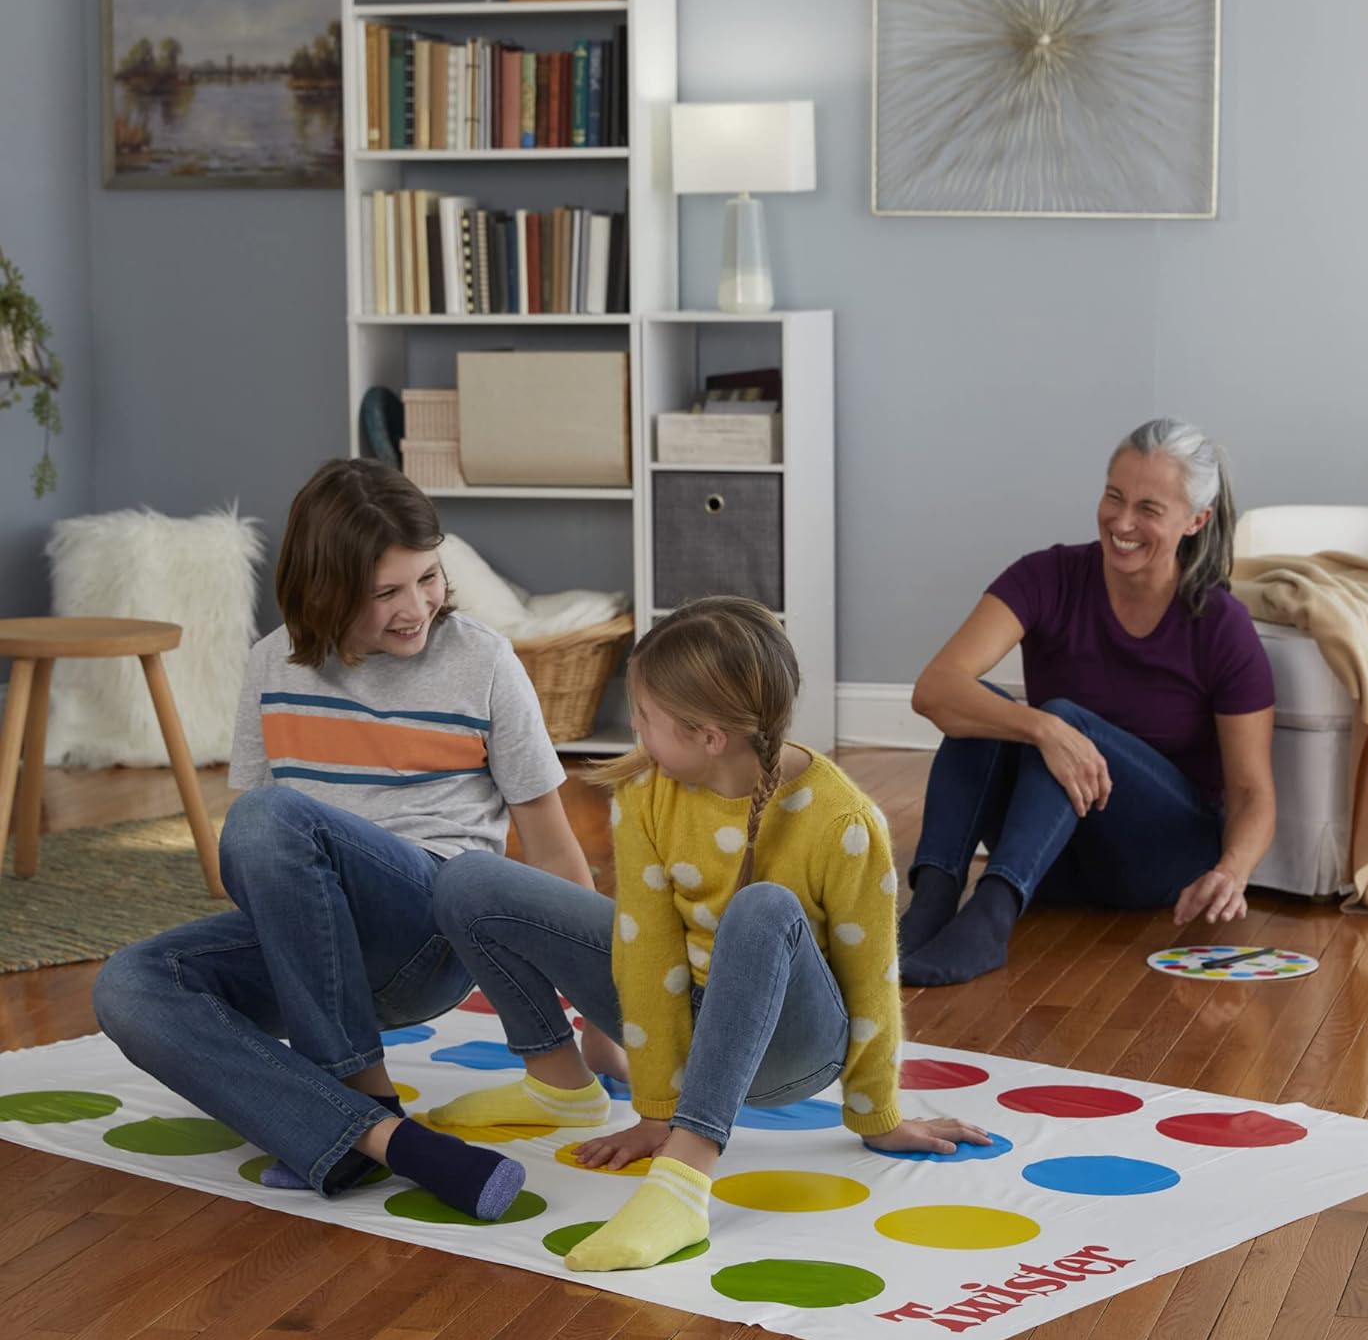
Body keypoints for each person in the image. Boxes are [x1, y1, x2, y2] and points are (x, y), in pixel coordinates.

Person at [93, 459, 608, 1221]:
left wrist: (599, 1021)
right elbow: (261, 872)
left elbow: (553, 848)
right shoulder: (271, 664)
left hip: (429, 925)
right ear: (324, 591)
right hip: (313, 947)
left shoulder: (483, 660)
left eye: (428, 578)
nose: (417, 608)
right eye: (385, 593)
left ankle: (354, 1091)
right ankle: (373, 1139)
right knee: (130, 985)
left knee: (267, 816)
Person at [427, 595, 989, 1271]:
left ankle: (685, 1179)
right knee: (471, 882)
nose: (636, 731)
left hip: (789, 1050)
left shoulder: (843, 821)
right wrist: (656, 1106)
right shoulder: (647, 793)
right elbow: (648, 957)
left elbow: (870, 978)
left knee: (762, 909)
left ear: (708, 737)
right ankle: (560, 1086)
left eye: (646, 719)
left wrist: (879, 1115)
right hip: (689, 1030)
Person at [898, 417, 1276, 987]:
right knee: (986, 711)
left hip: (1154, 861)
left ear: (1195, 520)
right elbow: (935, 689)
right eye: (1114, 497)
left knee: (1065, 718)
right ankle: (931, 901)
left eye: (1149, 509)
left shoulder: (1222, 625)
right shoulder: (1046, 576)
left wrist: (1232, 870)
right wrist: (1045, 732)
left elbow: (1252, 791)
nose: (1122, 522)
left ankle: (991, 916)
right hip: (1050, 859)